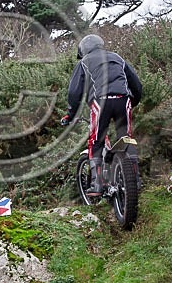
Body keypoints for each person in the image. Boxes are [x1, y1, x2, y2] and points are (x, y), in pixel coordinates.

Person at [61, 34, 143, 196]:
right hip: (123, 100)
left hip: (101, 102)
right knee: (126, 139)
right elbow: (137, 85)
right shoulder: (117, 58)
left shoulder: (84, 62)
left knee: (96, 141)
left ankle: (97, 184)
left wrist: (70, 115)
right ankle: (136, 180)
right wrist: (132, 102)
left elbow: (74, 93)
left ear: (84, 50)